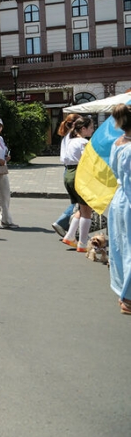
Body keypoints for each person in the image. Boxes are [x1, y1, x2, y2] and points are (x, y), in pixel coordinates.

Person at [107, 104, 131, 315]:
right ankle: (129, 298)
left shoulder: (117, 143)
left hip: (120, 198)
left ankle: (124, 293)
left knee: (121, 246)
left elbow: (114, 169)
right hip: (129, 199)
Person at [60, 117, 96, 251]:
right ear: (83, 129)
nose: (92, 130)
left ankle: (70, 236)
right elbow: (87, 160)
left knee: (81, 208)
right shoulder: (83, 142)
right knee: (87, 210)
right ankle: (82, 243)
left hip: (69, 174)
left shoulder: (70, 141)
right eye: (91, 127)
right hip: (79, 174)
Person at [52, 113, 82, 237]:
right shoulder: (75, 138)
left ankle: (72, 229)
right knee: (80, 202)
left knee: (77, 202)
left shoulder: (66, 137)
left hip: (68, 169)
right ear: (75, 124)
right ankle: (62, 223)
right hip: (76, 169)